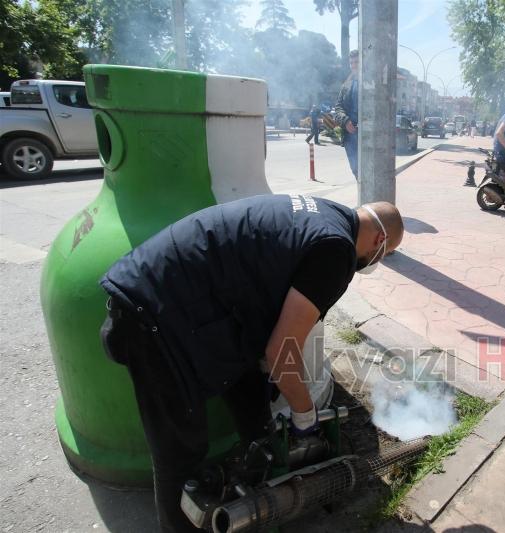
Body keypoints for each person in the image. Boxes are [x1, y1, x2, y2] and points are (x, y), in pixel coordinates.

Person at [99, 194, 404, 532]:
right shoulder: (336, 251)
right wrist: (305, 413)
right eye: (385, 254)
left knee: (250, 390)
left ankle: (259, 481)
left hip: (174, 294)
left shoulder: (326, 213)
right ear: (380, 240)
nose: (378, 259)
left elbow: (269, 309)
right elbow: (282, 351)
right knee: (181, 451)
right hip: (154, 316)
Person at [334, 49, 360, 179]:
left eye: (357, 62)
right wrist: (345, 120)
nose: (354, 65)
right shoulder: (346, 85)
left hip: (368, 137)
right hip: (350, 137)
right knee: (356, 171)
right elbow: (338, 108)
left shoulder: (373, 83)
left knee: (369, 172)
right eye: (351, 63)